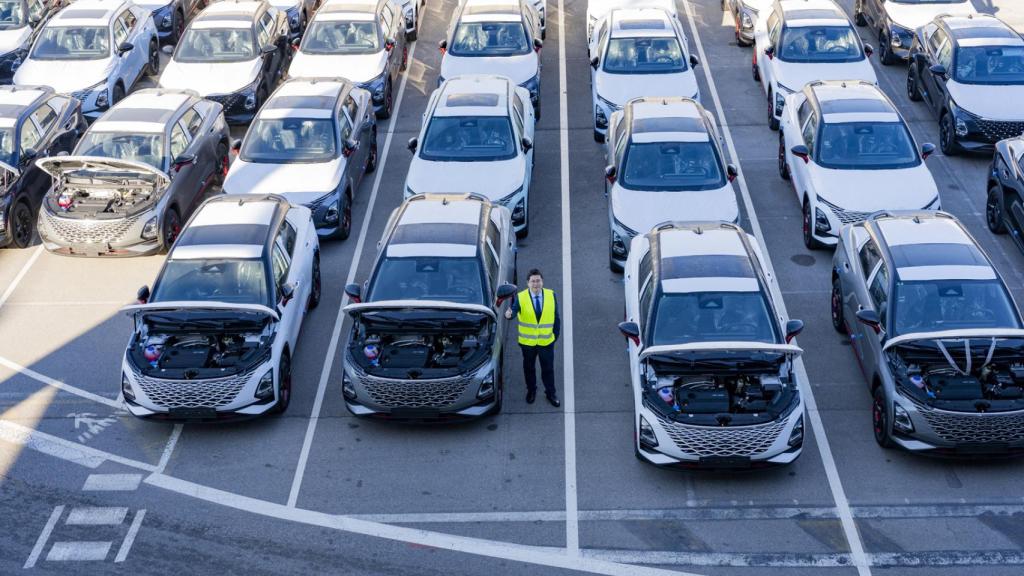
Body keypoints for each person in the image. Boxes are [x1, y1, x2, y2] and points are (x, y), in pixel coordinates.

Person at [504, 269, 560, 407]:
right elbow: (514, 311)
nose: (536, 284)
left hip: (546, 342)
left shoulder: (551, 295)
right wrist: (509, 314)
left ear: (542, 281)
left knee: (548, 369)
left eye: (538, 280)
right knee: (529, 368)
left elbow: (556, 318)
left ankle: (551, 393)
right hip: (528, 343)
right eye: (533, 281)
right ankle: (531, 391)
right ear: (527, 283)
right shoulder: (521, 297)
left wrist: (554, 336)